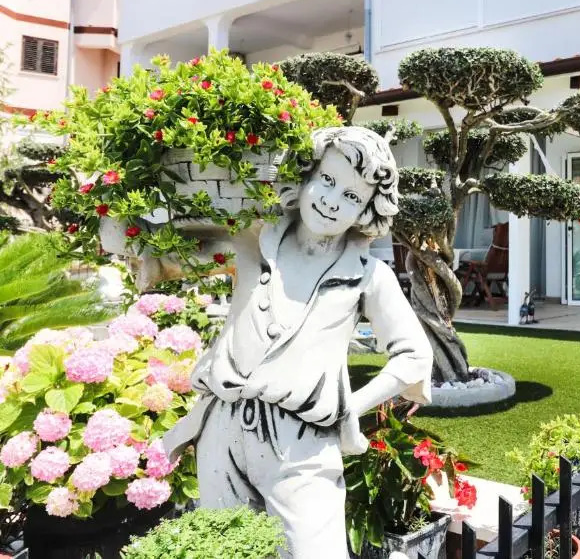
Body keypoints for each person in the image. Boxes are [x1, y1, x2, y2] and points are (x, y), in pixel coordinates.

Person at [101, 126, 433, 558]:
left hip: (302, 442)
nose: (332, 201)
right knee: (226, 550)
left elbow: (413, 355)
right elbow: (161, 257)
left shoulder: (370, 276)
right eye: (327, 180)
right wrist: (113, 203)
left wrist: (351, 406)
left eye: (352, 196)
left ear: (367, 210)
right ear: (305, 177)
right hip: (223, 426)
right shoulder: (251, 244)